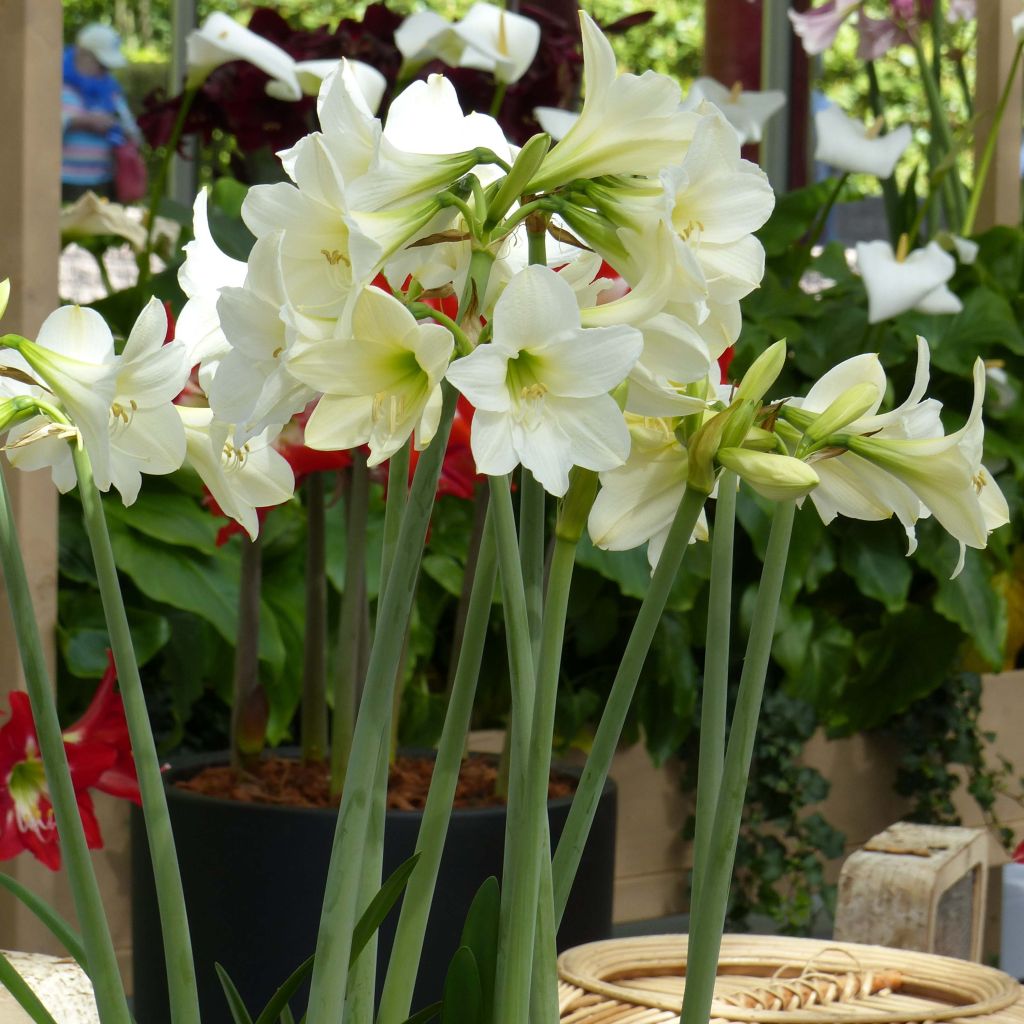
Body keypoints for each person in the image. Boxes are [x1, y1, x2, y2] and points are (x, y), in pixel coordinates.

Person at [61, 24, 141, 203]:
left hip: (103, 182)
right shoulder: (57, 85)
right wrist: (81, 122)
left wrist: (115, 126)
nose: (106, 71)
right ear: (83, 54)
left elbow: (133, 131)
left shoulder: (111, 91)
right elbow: (40, 129)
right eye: (102, 64)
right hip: (63, 182)